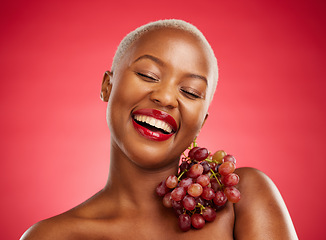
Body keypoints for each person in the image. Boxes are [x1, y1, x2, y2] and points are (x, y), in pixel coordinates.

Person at [20, 19, 298, 239]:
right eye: (147, 75)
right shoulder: (52, 236)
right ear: (107, 86)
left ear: (201, 122)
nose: (165, 98)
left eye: (190, 92)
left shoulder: (240, 200)